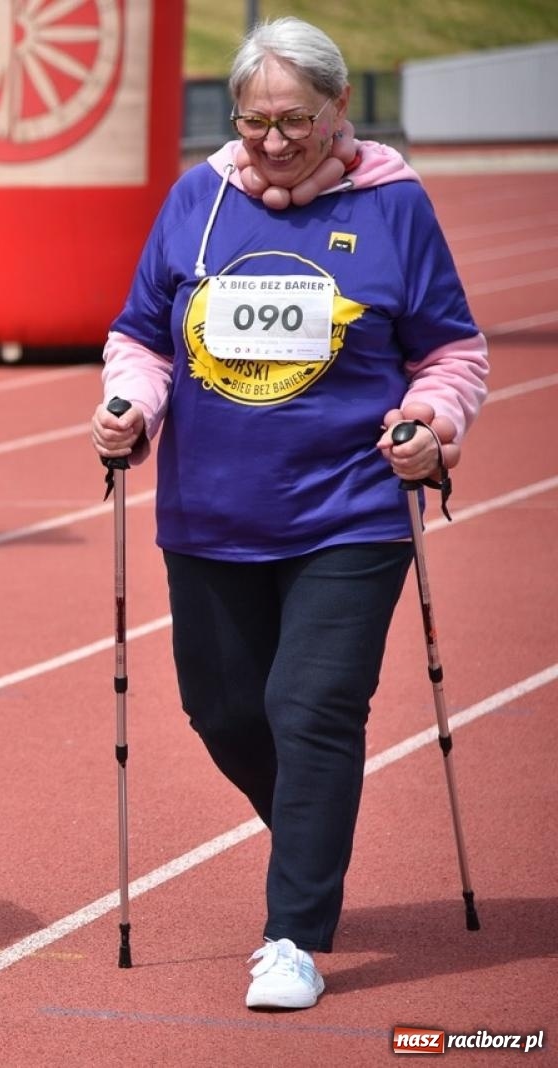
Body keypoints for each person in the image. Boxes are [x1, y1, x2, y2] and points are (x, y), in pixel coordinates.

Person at [89, 17, 489, 1012]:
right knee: (223, 712)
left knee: (310, 710)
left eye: (293, 123)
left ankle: (292, 933)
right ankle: (314, 830)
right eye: (253, 120)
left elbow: (451, 353)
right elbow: (140, 334)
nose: (270, 141)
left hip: (350, 510)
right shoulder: (199, 198)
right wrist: (129, 406)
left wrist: (430, 420)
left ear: (337, 110)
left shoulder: (392, 206)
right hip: (208, 512)